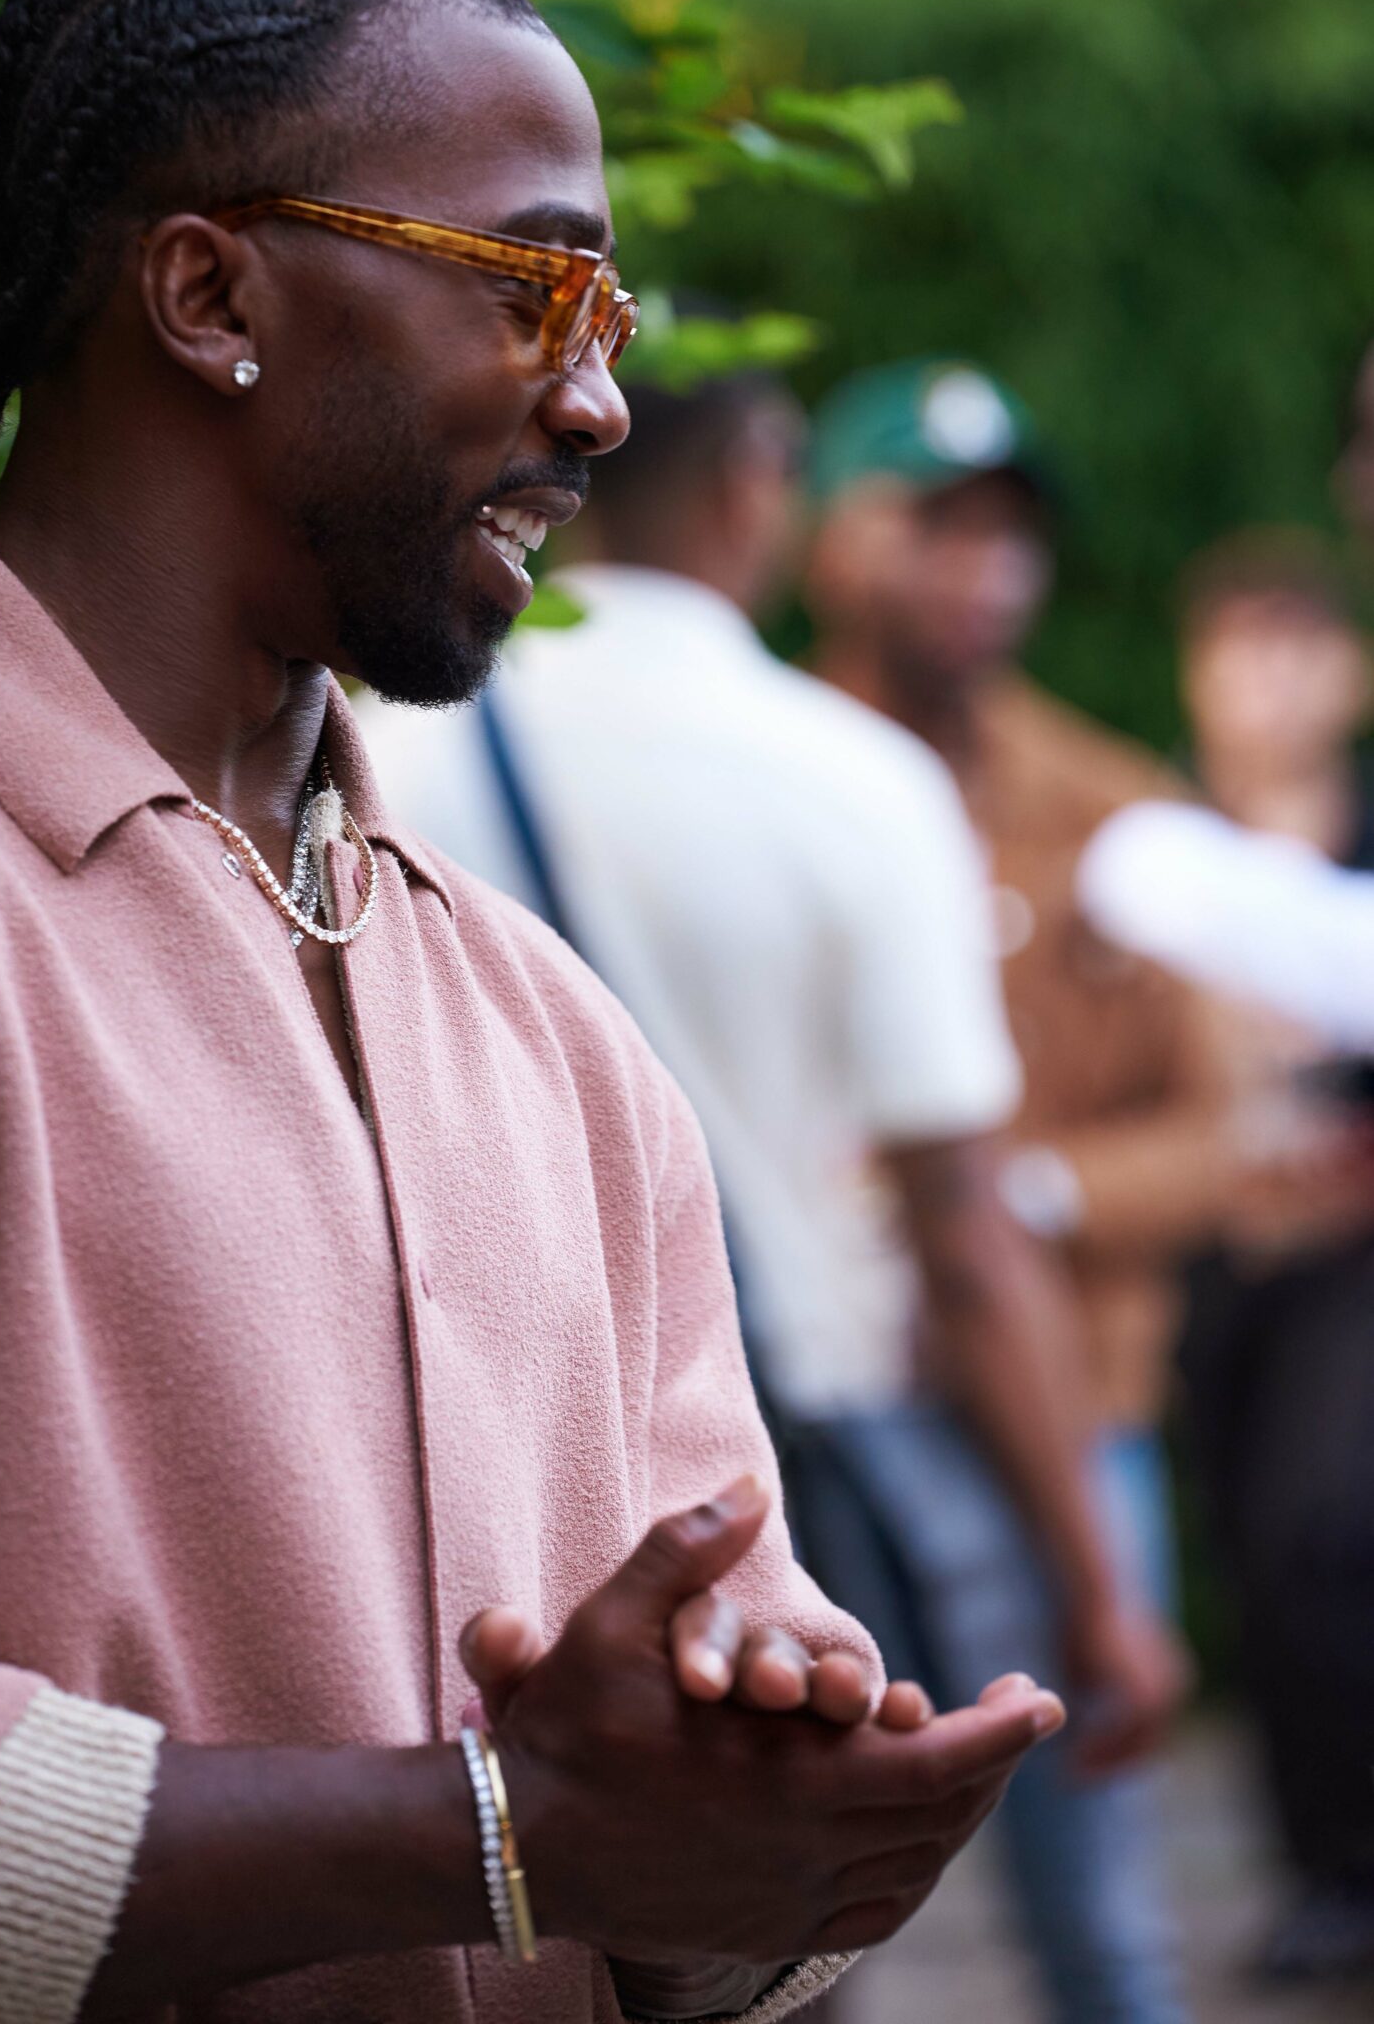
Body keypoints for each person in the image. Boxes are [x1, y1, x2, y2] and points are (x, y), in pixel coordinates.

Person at [0, 0, 1065, 2024]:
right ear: (211, 292)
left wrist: (751, 1828)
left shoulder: (555, 1036)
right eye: (532, 287)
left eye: (612, 312)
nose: (601, 404)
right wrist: (495, 1834)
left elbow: (675, 1911)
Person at [361, 361, 1183, 2024]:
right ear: (756, 485)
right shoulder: (847, 782)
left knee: (585, 1956)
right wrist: (1099, 1590)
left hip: (483, 1473)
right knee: (904, 1948)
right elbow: (961, 1237)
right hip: (785, 1472)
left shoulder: (384, 741)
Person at [805, 359, 1230, 2024]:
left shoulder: (1112, 806)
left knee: (1105, 1921)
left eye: (1009, 535)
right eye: (936, 525)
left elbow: (1221, 1131)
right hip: (825, 1424)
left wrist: (1019, 1197)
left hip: (1071, 1417)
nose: (981, 570)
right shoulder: (760, 784)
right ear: (827, 535)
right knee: (786, 1941)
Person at [1167, 533, 1374, 1983]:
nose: (1271, 681)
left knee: (1326, 1532)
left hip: (1355, 1260)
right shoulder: (1155, 848)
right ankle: (1316, 1861)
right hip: (1212, 1253)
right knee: (1251, 1548)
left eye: (1298, 645)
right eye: (1241, 648)